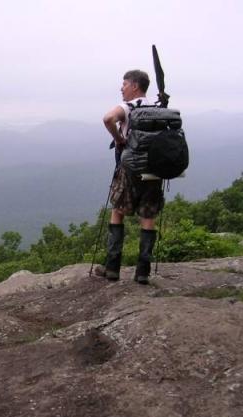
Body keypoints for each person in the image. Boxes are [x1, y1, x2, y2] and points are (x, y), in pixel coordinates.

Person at [95, 70, 164, 284]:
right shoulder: (157, 108)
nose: (121, 88)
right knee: (148, 216)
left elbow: (108, 119)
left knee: (117, 211)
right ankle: (143, 271)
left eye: (124, 84)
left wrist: (118, 139)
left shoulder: (129, 107)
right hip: (154, 170)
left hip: (129, 169)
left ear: (135, 86)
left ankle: (113, 267)